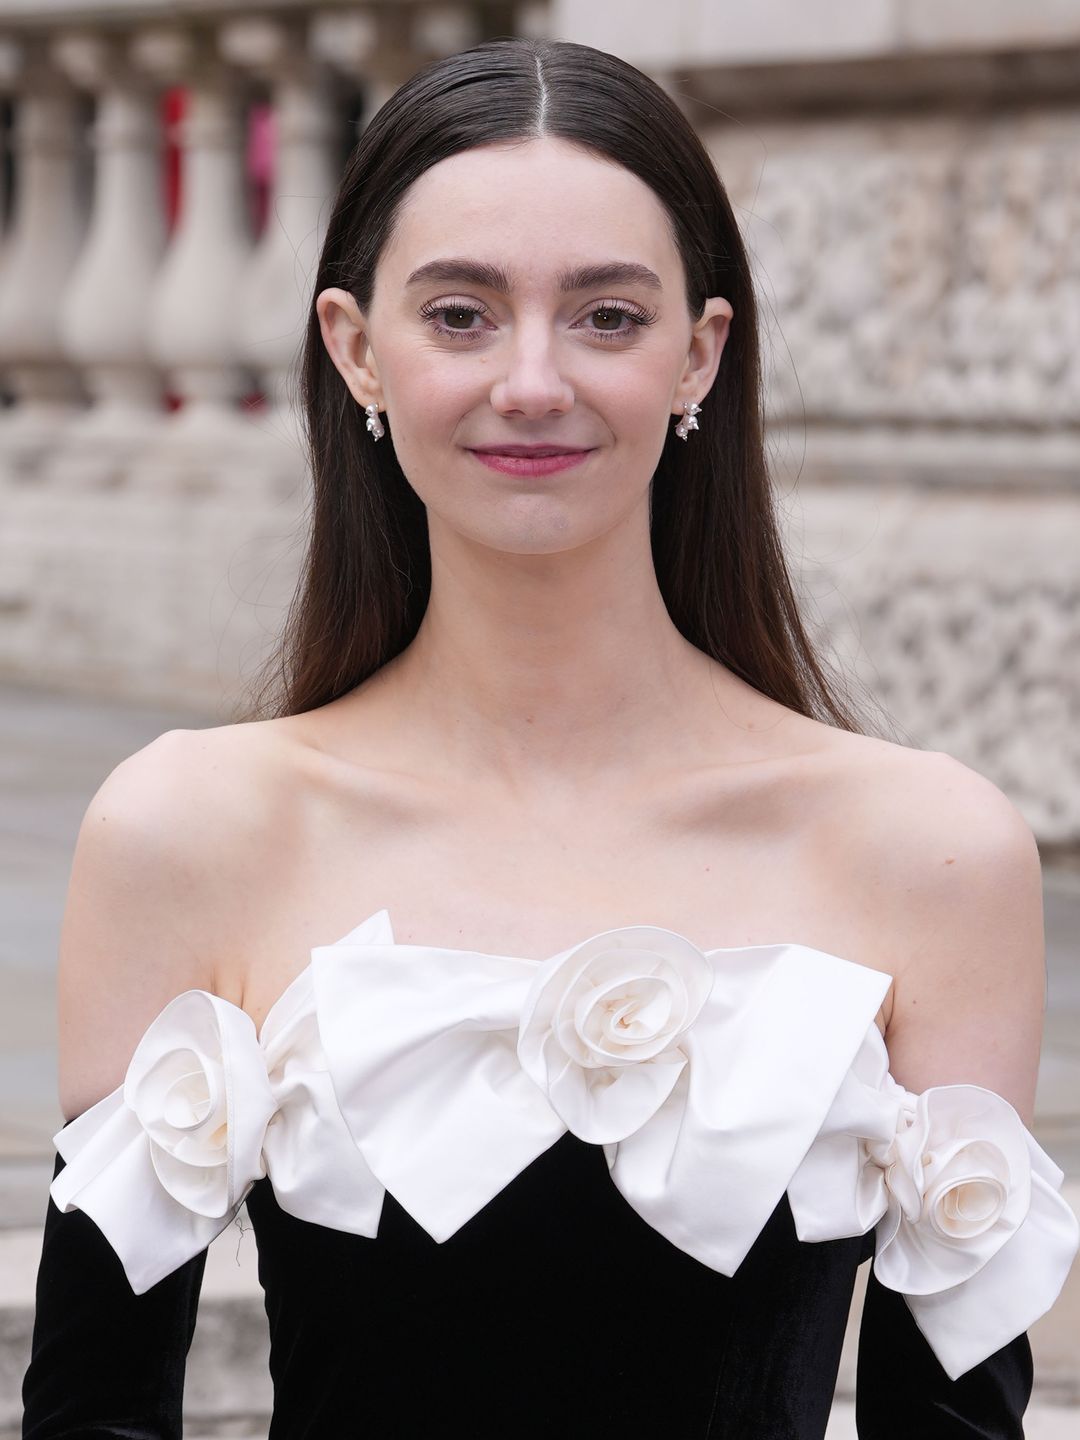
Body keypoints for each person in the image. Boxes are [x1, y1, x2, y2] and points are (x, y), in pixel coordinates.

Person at [21, 35, 1078, 1440]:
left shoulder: (928, 853)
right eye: (460, 315)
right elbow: (98, 1415)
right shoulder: (190, 829)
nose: (532, 382)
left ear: (701, 352)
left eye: (606, 317)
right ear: (356, 350)